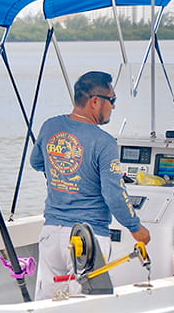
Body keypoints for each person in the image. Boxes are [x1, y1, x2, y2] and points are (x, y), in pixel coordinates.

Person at [30, 71, 150, 299]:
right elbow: (113, 193)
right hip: (88, 237)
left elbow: (36, 162)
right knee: (87, 304)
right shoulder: (104, 142)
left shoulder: (50, 126)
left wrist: (66, 173)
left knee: (47, 302)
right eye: (112, 100)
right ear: (95, 101)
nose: (113, 107)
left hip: (51, 233)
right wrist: (136, 228)